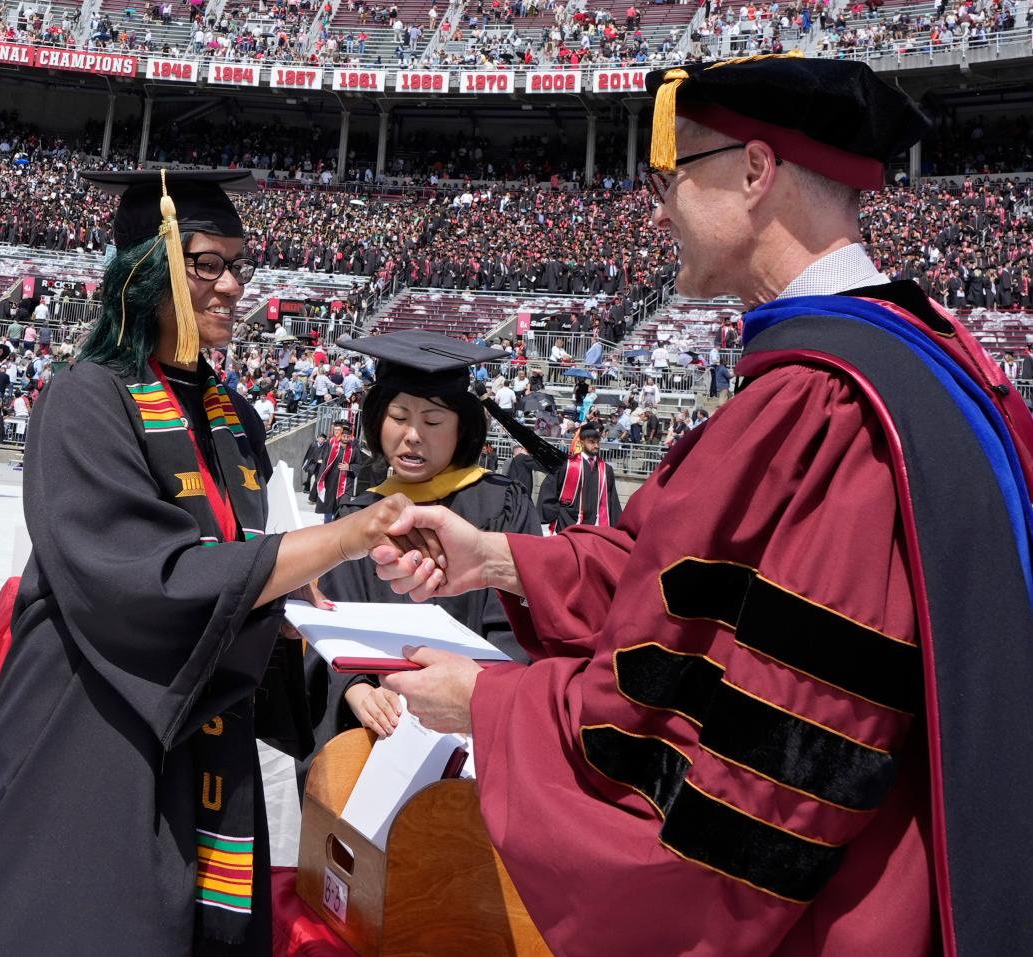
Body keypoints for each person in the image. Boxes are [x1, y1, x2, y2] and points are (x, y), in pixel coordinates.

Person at [369, 57, 1033, 956]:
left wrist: (490, 704)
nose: (656, 208)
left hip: (851, 911)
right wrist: (496, 557)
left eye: (670, 178)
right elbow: (682, 582)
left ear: (756, 172)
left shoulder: (824, 411)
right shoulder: (934, 364)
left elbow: (758, 762)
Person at [0, 169, 420, 956]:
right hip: (93, 732)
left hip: (205, 736)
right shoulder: (86, 398)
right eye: (207, 263)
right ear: (147, 267)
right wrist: (341, 537)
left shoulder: (236, 419)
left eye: (239, 263)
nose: (233, 284)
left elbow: (238, 578)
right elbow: (142, 581)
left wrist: (315, 640)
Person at [307, 331, 540, 747]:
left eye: (432, 421)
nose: (413, 435)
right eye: (398, 418)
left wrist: (478, 693)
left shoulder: (501, 504)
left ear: (462, 430)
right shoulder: (356, 516)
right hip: (378, 731)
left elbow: (520, 625)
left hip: (474, 722)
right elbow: (329, 624)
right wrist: (356, 689)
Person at [538, 423, 621, 531]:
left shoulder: (606, 470)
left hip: (595, 524)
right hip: (567, 522)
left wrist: (617, 525)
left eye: (598, 442)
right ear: (582, 442)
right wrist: (556, 513)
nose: (596, 446)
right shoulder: (567, 465)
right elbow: (549, 488)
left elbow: (612, 498)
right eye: (591, 442)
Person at [314, 420, 356, 521]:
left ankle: (337, 529)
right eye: (342, 432)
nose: (344, 435)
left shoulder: (353, 447)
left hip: (345, 484)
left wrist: (349, 467)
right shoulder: (331, 443)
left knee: (341, 509)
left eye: (347, 434)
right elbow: (324, 458)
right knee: (328, 506)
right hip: (330, 481)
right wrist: (321, 477)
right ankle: (327, 527)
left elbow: (359, 464)